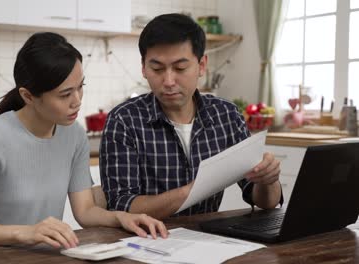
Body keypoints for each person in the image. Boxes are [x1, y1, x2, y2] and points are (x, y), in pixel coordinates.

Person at [0, 32, 168, 250]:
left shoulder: (74, 135)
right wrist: (26, 232)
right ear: (28, 96)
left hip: (49, 257)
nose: (77, 101)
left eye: (80, 87)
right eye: (65, 94)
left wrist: (121, 218)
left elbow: (85, 211)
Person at [99, 14, 282, 220]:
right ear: (143, 67)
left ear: (202, 65)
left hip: (209, 240)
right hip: (145, 242)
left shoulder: (226, 115)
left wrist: (268, 180)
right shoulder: (124, 120)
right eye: (157, 68)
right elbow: (121, 205)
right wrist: (193, 191)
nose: (168, 81)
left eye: (180, 68)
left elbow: (266, 201)